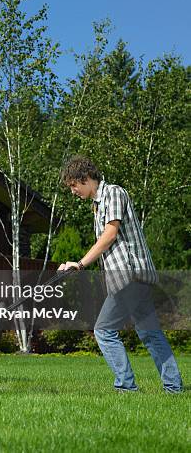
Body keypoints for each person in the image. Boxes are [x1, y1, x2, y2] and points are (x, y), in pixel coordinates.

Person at [58, 155, 183, 393]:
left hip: (130, 275)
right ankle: (174, 387)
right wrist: (73, 265)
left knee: (103, 330)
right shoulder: (98, 205)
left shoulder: (113, 193)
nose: (73, 191)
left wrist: (81, 264)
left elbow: (109, 235)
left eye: (73, 185)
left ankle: (126, 386)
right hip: (131, 277)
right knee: (150, 333)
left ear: (84, 178)